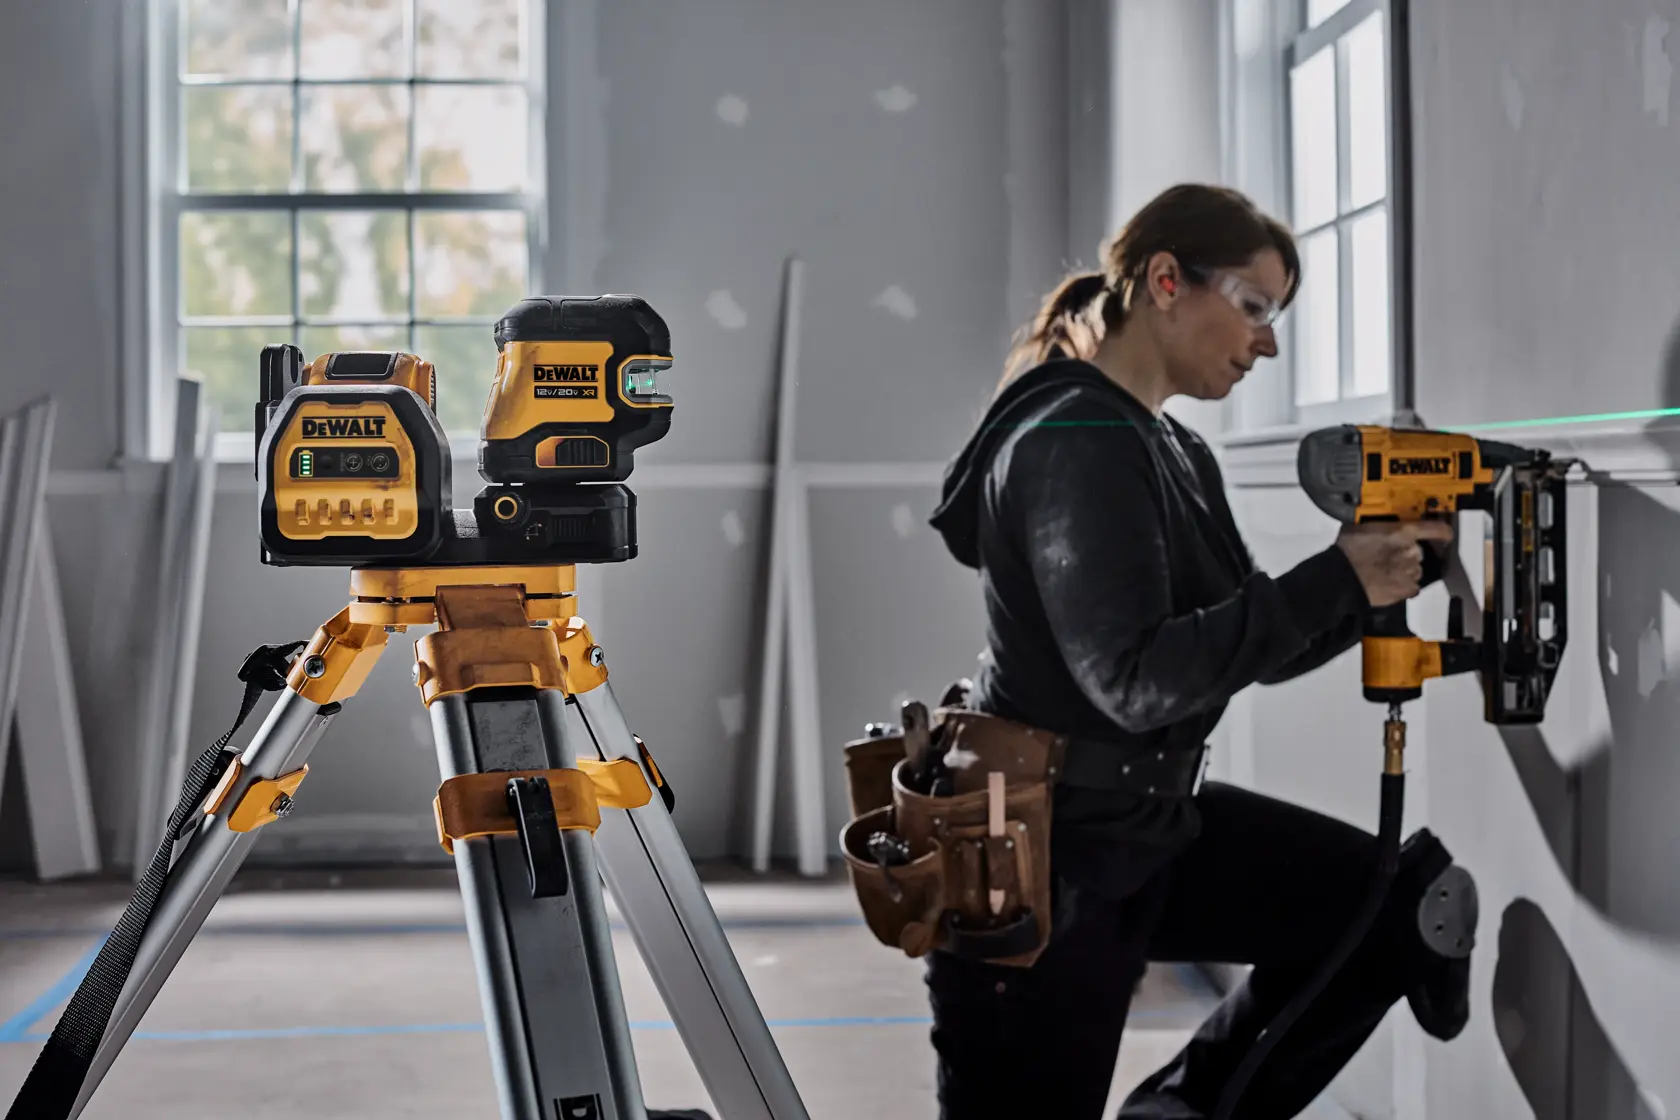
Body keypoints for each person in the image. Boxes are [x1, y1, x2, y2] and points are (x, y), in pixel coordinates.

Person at [924, 183, 1472, 1119]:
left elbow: (1252, 643)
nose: (1265, 341)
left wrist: (1389, 566)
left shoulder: (1173, 448)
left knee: (1382, 906)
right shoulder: (1073, 437)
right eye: (1254, 307)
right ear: (1166, 282)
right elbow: (1134, 683)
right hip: (1044, 859)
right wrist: (1338, 580)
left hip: (1140, 827)